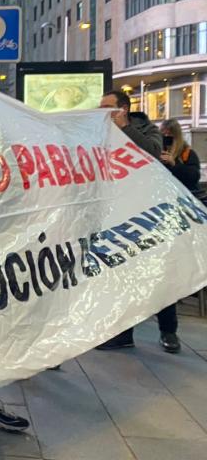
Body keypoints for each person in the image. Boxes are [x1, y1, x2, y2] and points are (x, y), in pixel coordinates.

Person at [97, 90, 164, 351]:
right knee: (115, 272)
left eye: (108, 107)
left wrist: (124, 128)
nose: (102, 110)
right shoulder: (99, 131)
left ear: (123, 109)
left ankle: (168, 330)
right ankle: (120, 333)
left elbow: (152, 154)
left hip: (142, 212)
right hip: (111, 211)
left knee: (149, 272)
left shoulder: (147, 129)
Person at [152, 118, 200, 353]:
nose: (164, 138)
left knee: (166, 274)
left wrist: (173, 164)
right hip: (150, 216)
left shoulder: (186, 154)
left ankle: (168, 330)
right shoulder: (150, 150)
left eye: (167, 134)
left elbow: (192, 179)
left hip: (174, 219)